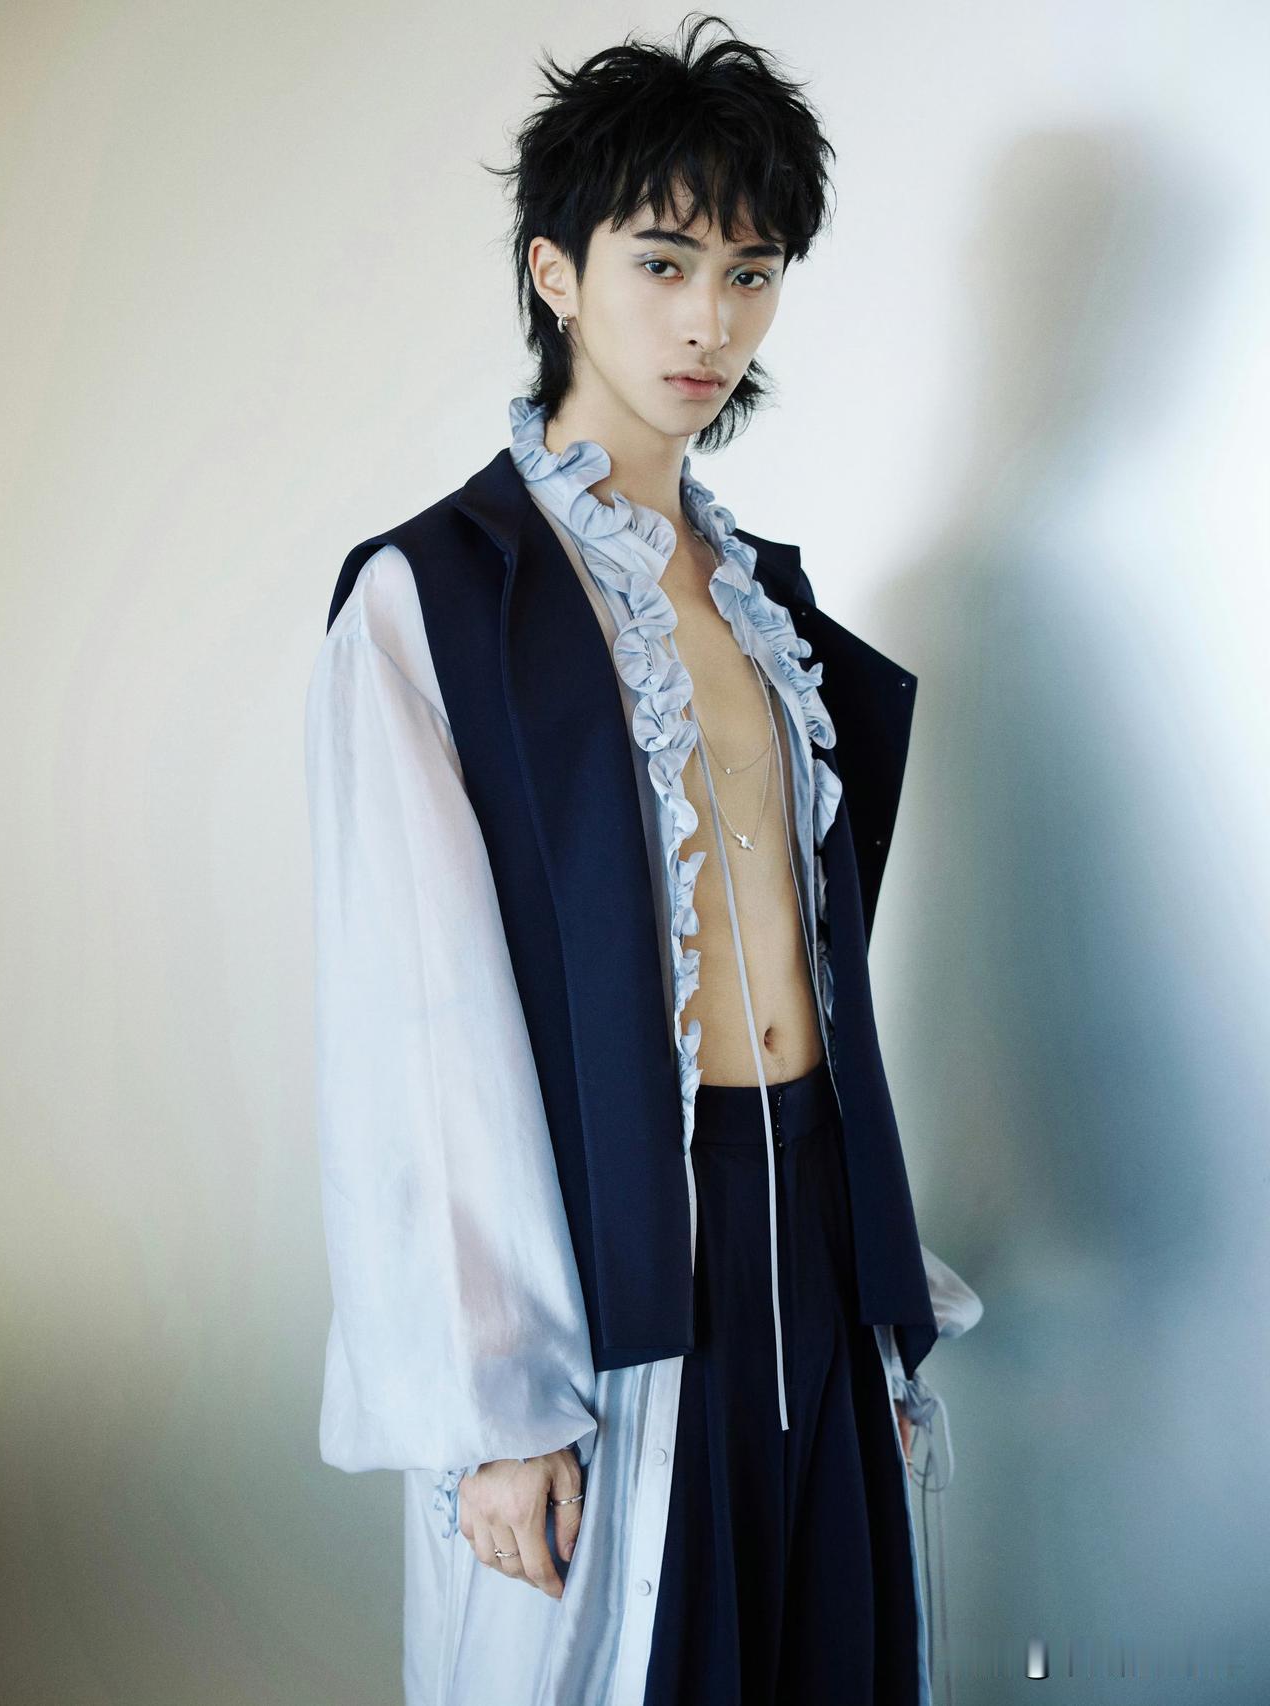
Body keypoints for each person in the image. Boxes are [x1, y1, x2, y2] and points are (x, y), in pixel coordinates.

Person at [304, 14, 982, 1704]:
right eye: (664, 262)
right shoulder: (433, 603)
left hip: (810, 1223)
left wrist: (878, 1297)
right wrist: (495, 1406)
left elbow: (821, 960)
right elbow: (418, 1029)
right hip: (616, 1257)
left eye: (750, 273)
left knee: (832, 1651)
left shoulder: (767, 609)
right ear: (556, 270)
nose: (709, 323)